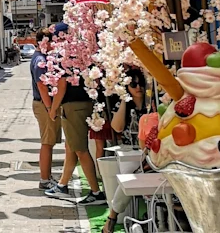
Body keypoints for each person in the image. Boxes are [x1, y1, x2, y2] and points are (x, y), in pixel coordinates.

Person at [46, 25, 106, 206]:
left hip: (72, 107)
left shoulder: (64, 56)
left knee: (80, 149)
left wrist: (53, 108)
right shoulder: (83, 50)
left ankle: (96, 192)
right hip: (88, 102)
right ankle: (63, 185)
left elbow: (62, 85)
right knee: (71, 146)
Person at [101, 67, 148, 233]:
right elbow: (117, 128)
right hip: (130, 151)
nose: (138, 87)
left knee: (134, 176)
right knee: (129, 178)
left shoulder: (152, 104)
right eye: (133, 84)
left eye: (140, 83)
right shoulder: (124, 106)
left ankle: (112, 217)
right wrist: (123, 99)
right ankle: (113, 216)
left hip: (150, 152)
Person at [30, 28, 62, 191]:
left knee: (49, 142)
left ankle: (47, 176)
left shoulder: (42, 58)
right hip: (43, 104)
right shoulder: (39, 61)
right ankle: (44, 179)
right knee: (47, 142)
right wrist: (50, 107)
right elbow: (41, 85)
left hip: (45, 104)